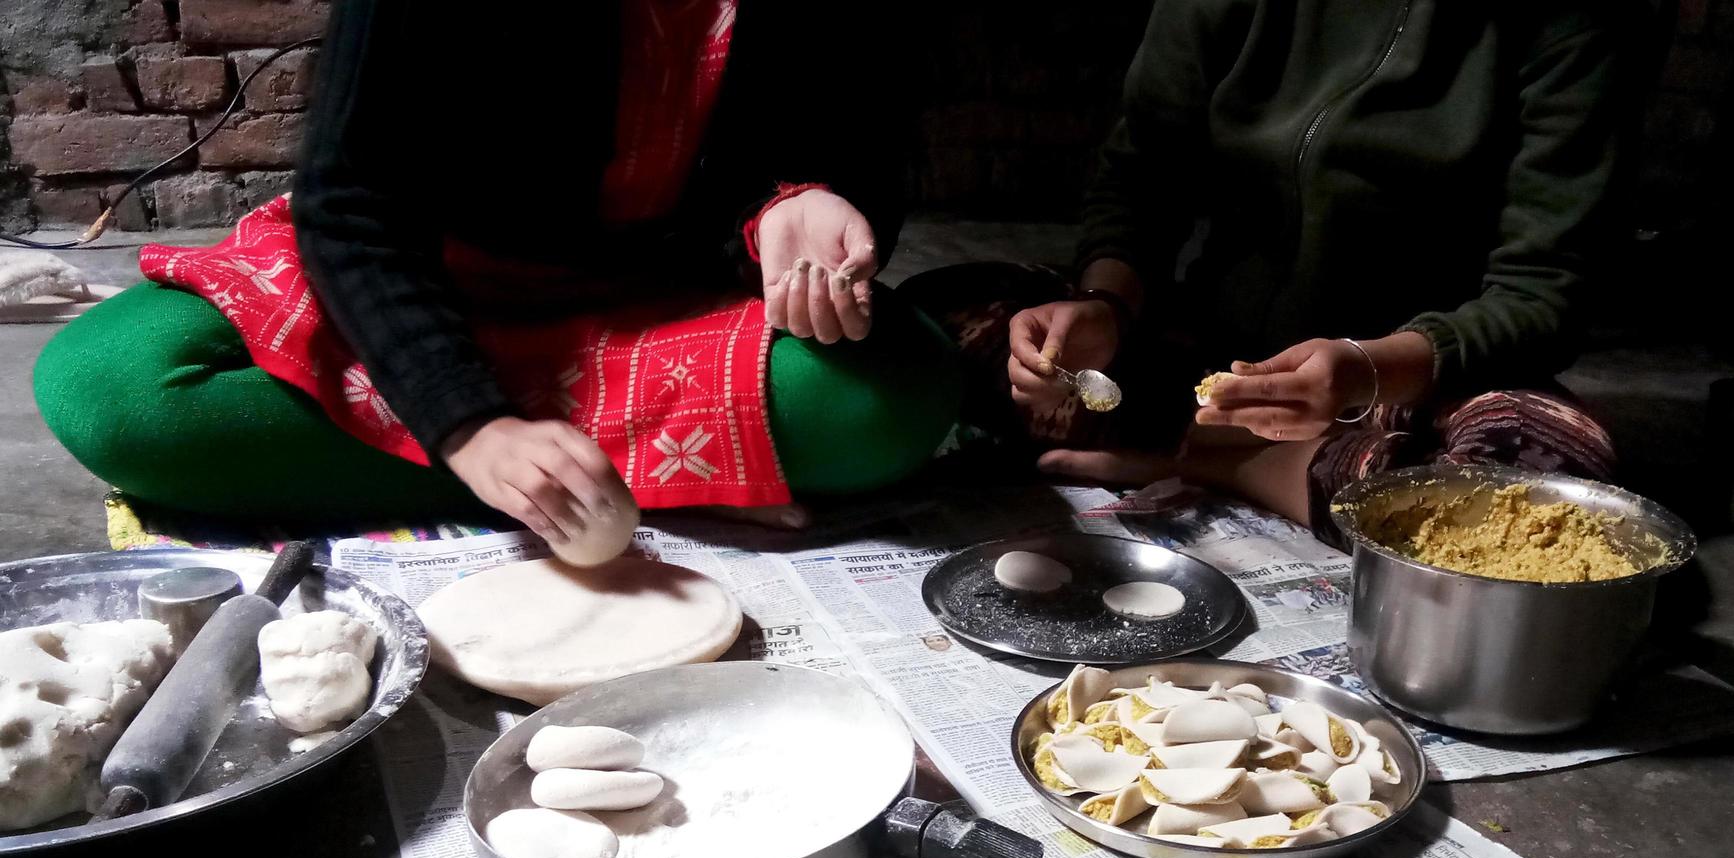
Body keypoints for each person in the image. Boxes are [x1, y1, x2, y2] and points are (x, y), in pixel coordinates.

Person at [34, 0, 957, 542]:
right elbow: (352, 205)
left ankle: (579, 478)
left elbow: (859, 159)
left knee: (896, 392)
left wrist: (802, 203)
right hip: (432, 281)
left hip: (656, 311)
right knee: (115, 390)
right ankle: (633, 479)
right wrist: (470, 431)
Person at [931, 0, 1640, 544]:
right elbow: (1142, 177)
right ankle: (1227, 445)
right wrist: (1103, 310)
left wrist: (1363, 371)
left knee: (1540, 472)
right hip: (1206, 357)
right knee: (940, 320)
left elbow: (1546, 291)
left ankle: (1225, 463)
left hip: (1411, 382)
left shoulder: (1570, 18)